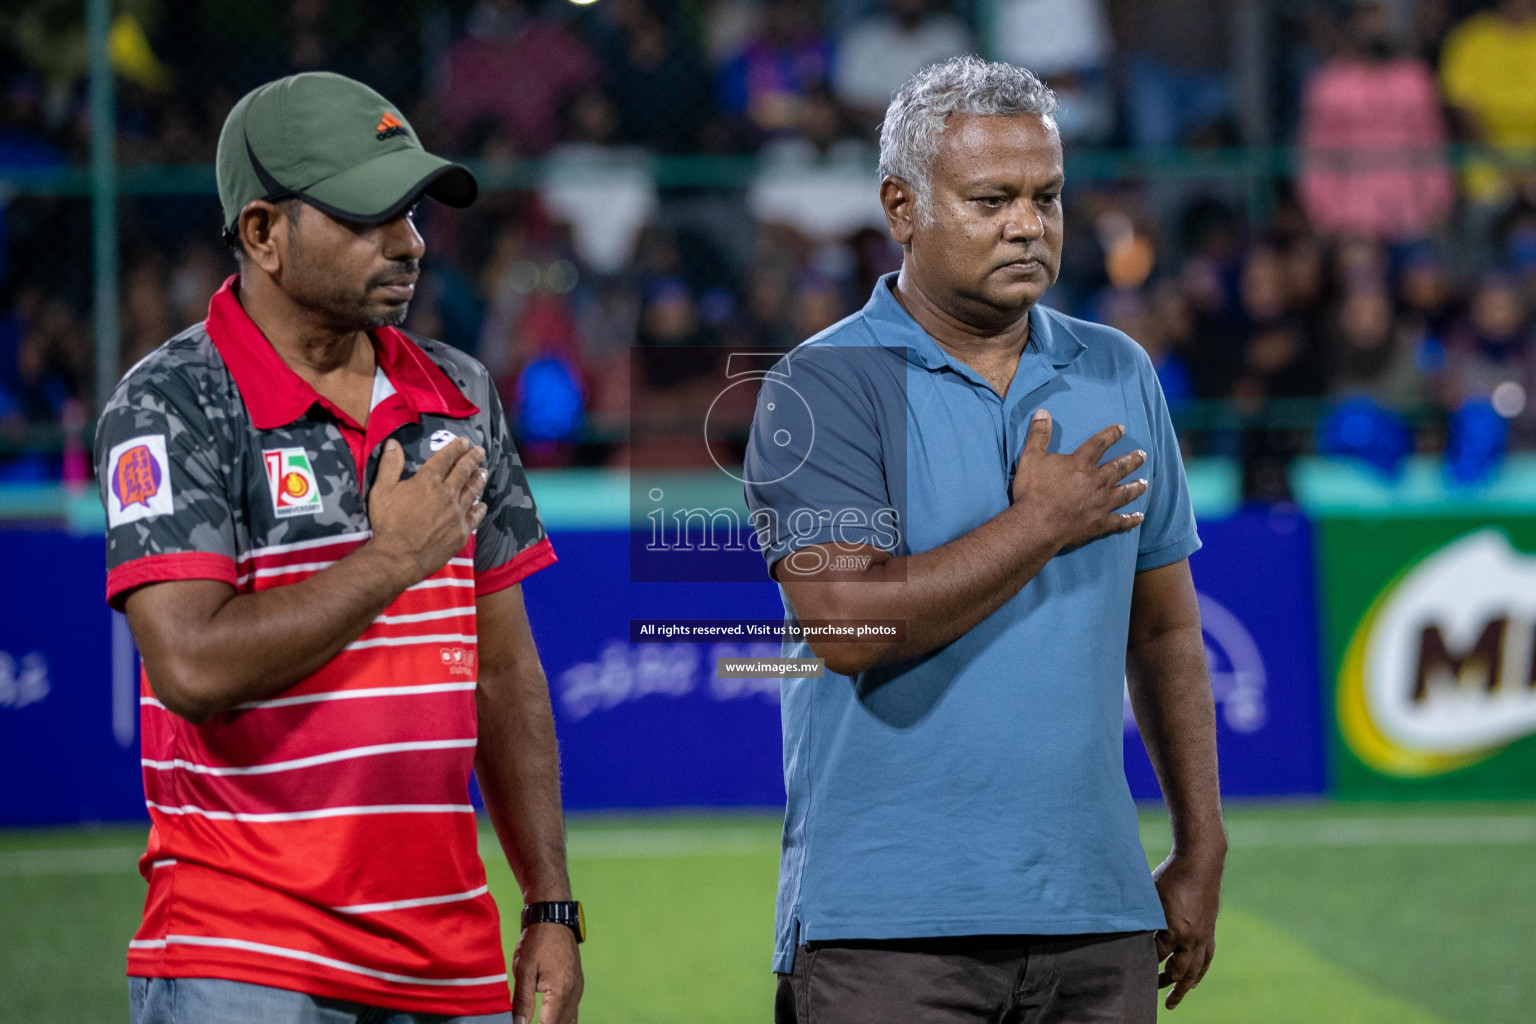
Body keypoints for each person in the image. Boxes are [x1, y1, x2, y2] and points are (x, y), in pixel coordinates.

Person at [95, 72, 583, 1024]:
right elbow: (191, 665)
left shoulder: (460, 393)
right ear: (264, 233)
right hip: (244, 963)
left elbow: (505, 672)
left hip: (452, 967)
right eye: (369, 215)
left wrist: (552, 907)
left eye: (412, 212)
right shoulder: (172, 405)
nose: (409, 243)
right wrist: (391, 561)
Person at [744, 57, 1224, 1023]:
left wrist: (1200, 844)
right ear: (902, 206)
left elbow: (1165, 631)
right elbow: (846, 627)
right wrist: (1040, 523)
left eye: (1047, 196)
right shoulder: (822, 385)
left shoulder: (1116, 370)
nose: (1028, 225)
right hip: (888, 931)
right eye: (991, 199)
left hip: (1097, 914)